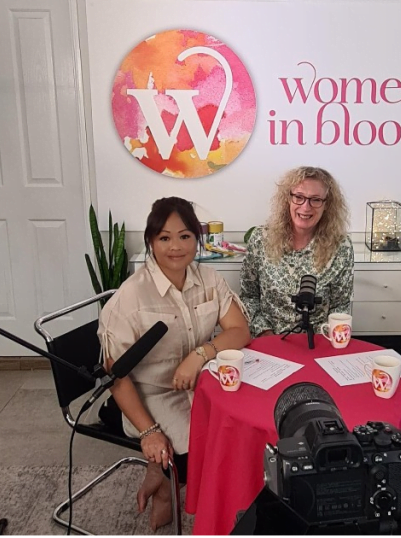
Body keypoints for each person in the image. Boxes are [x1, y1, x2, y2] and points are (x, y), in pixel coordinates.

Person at [97, 197, 251, 530]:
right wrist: (149, 433)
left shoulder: (209, 279)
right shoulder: (129, 298)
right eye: (164, 238)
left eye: (185, 236)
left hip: (202, 383)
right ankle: (166, 486)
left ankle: (165, 475)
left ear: (197, 238)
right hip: (146, 393)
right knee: (198, 449)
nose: (176, 247)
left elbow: (239, 330)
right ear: (151, 242)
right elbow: (117, 378)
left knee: (237, 436)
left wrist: (199, 356)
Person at [240, 166, 354, 337]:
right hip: (268, 341)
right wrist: (267, 335)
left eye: (315, 200)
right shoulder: (260, 239)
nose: (306, 207)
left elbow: (341, 306)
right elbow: (248, 297)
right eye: (299, 197)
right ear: (288, 198)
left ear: (327, 205)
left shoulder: (341, 247)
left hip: (318, 342)